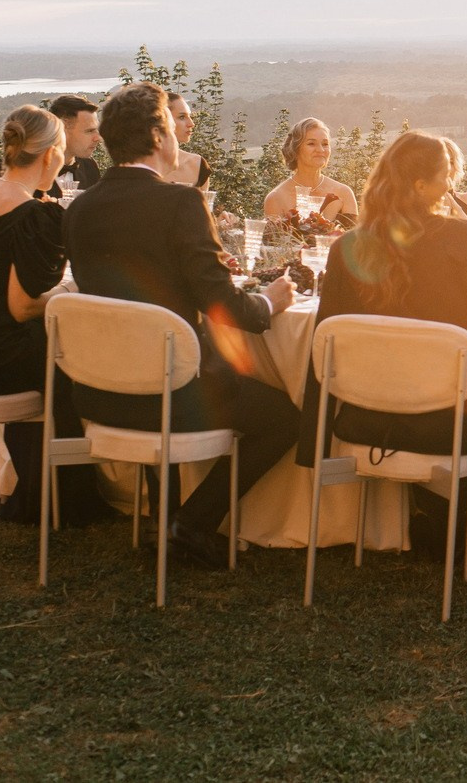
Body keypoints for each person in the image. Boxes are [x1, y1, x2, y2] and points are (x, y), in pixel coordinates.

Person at [62, 82, 299, 569]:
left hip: (98, 390)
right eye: (172, 128)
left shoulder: (80, 207)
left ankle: (168, 517)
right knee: (284, 417)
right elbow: (222, 305)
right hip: (170, 393)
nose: (176, 138)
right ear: (156, 136)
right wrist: (268, 302)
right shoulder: (180, 203)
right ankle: (192, 523)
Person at [298, 132, 467, 548]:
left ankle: (429, 514)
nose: (450, 185)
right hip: (445, 424)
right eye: (445, 176)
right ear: (421, 185)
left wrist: (313, 438)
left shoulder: (347, 246)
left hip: (365, 418)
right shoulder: (464, 238)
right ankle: (448, 518)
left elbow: (324, 348)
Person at [0, 105, 108, 524]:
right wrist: (71, 290)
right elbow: (22, 307)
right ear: (50, 155)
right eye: (62, 153)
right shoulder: (37, 214)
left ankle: (39, 489)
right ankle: (65, 497)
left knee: (47, 349)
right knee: (72, 357)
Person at [0, 94, 102, 200]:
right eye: (89, 131)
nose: (98, 138)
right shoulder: (16, 167)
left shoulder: (90, 167)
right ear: (63, 127)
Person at [263, 118, 358, 224]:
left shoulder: (344, 193)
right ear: (295, 149)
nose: (321, 150)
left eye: (325, 144)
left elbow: (355, 235)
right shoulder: (276, 198)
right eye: (311, 144)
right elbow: (274, 235)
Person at [162, 93, 211, 190]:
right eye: (182, 117)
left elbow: (206, 199)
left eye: (189, 116)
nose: (191, 124)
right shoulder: (136, 165)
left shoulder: (197, 165)